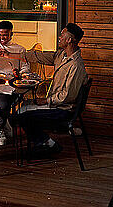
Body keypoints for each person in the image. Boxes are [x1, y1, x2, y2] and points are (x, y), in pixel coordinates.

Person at [13, 23, 89, 156]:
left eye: (62, 34)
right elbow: (39, 56)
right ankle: (42, 142)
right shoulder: (61, 55)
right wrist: (13, 54)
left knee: (22, 116)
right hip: (57, 104)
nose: (59, 37)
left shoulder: (76, 66)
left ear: (69, 40)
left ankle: (48, 144)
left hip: (63, 109)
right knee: (23, 107)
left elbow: (67, 96)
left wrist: (46, 101)